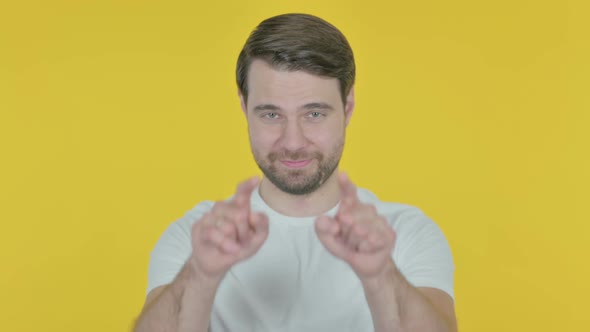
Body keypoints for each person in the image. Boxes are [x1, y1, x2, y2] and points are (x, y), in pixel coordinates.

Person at [133, 13, 457, 332]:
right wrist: (200, 276)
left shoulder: (406, 234)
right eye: (271, 114)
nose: (293, 141)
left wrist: (380, 276)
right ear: (245, 107)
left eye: (314, 113)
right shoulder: (195, 237)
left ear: (348, 106)